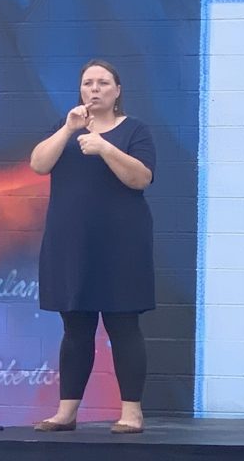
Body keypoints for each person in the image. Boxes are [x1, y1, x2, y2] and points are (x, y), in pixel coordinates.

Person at [30, 59, 156, 434]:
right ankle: (66, 412)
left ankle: (131, 412)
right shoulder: (65, 129)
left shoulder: (135, 130)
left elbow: (141, 179)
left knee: (123, 325)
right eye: (88, 83)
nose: (95, 89)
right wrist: (68, 129)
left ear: (117, 91)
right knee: (75, 328)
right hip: (70, 244)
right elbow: (38, 164)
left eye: (103, 83)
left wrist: (105, 148)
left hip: (121, 245)